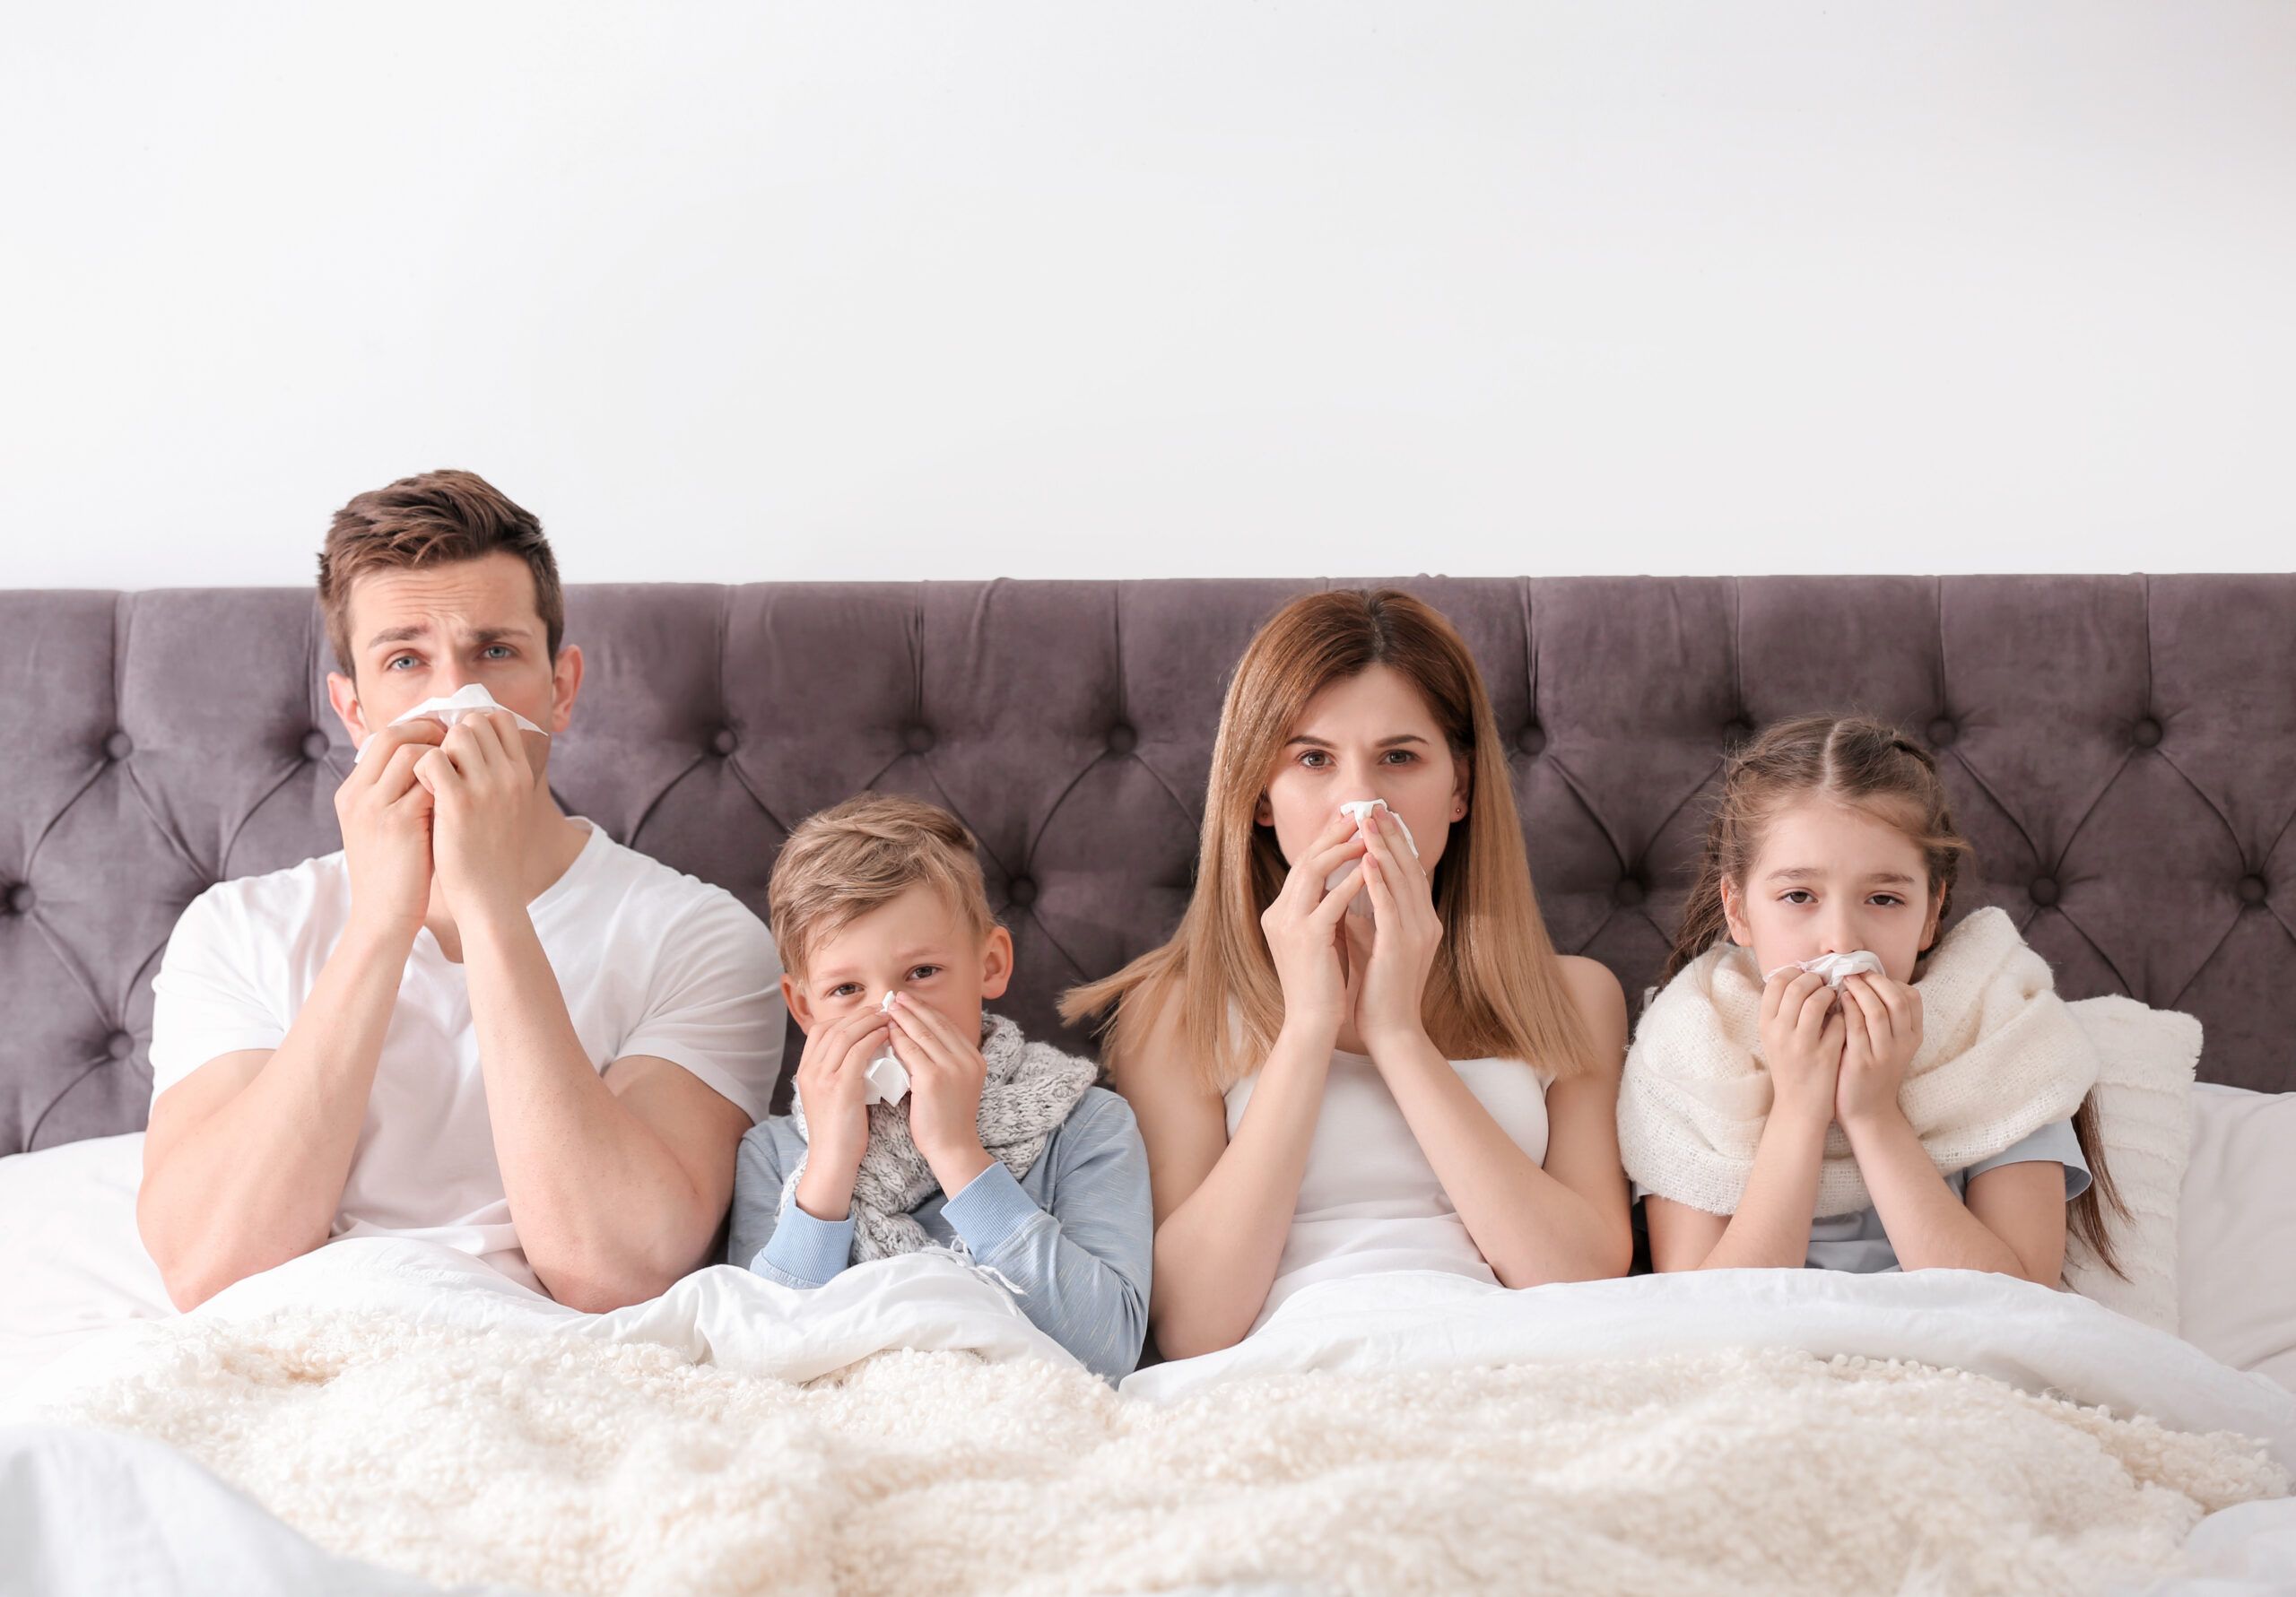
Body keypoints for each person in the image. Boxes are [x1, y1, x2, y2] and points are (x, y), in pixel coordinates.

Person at [137, 469, 785, 1311]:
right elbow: (209, 1269)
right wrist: (379, 924)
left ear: (559, 689)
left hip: (560, 1363)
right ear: (354, 708)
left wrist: (488, 909)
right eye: (406, 659)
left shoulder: (697, 936)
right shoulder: (237, 928)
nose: (456, 698)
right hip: (292, 1346)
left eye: (496, 652)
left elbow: (617, 1271)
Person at [1065, 588, 1632, 1358]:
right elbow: (1192, 1324)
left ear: (1460, 788)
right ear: (1260, 796)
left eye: (1399, 756)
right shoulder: (1173, 1007)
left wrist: (1400, 1036)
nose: (1360, 802)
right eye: (1312, 759)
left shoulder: (1573, 995)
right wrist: (1306, 1030)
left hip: (1512, 1359)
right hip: (1282, 1369)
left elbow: (1581, 1282)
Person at [1622, 713, 2124, 1280]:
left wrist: (1873, 1114)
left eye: (1883, 899)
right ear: (1737, 908)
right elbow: (1702, 1317)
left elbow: (2021, 1301)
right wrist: (1799, 1108)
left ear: (1931, 913)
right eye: (1798, 895)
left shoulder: (2001, 1034)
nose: (1840, 938)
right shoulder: (1687, 1048)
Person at [727, 794, 1151, 1380]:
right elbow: (759, 1355)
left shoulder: (1089, 1124)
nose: (890, 1011)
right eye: (846, 989)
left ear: (991, 964)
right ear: (802, 1007)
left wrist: (958, 1152)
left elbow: (1110, 1348)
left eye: (921, 973)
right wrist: (830, 1162)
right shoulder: (775, 1155)